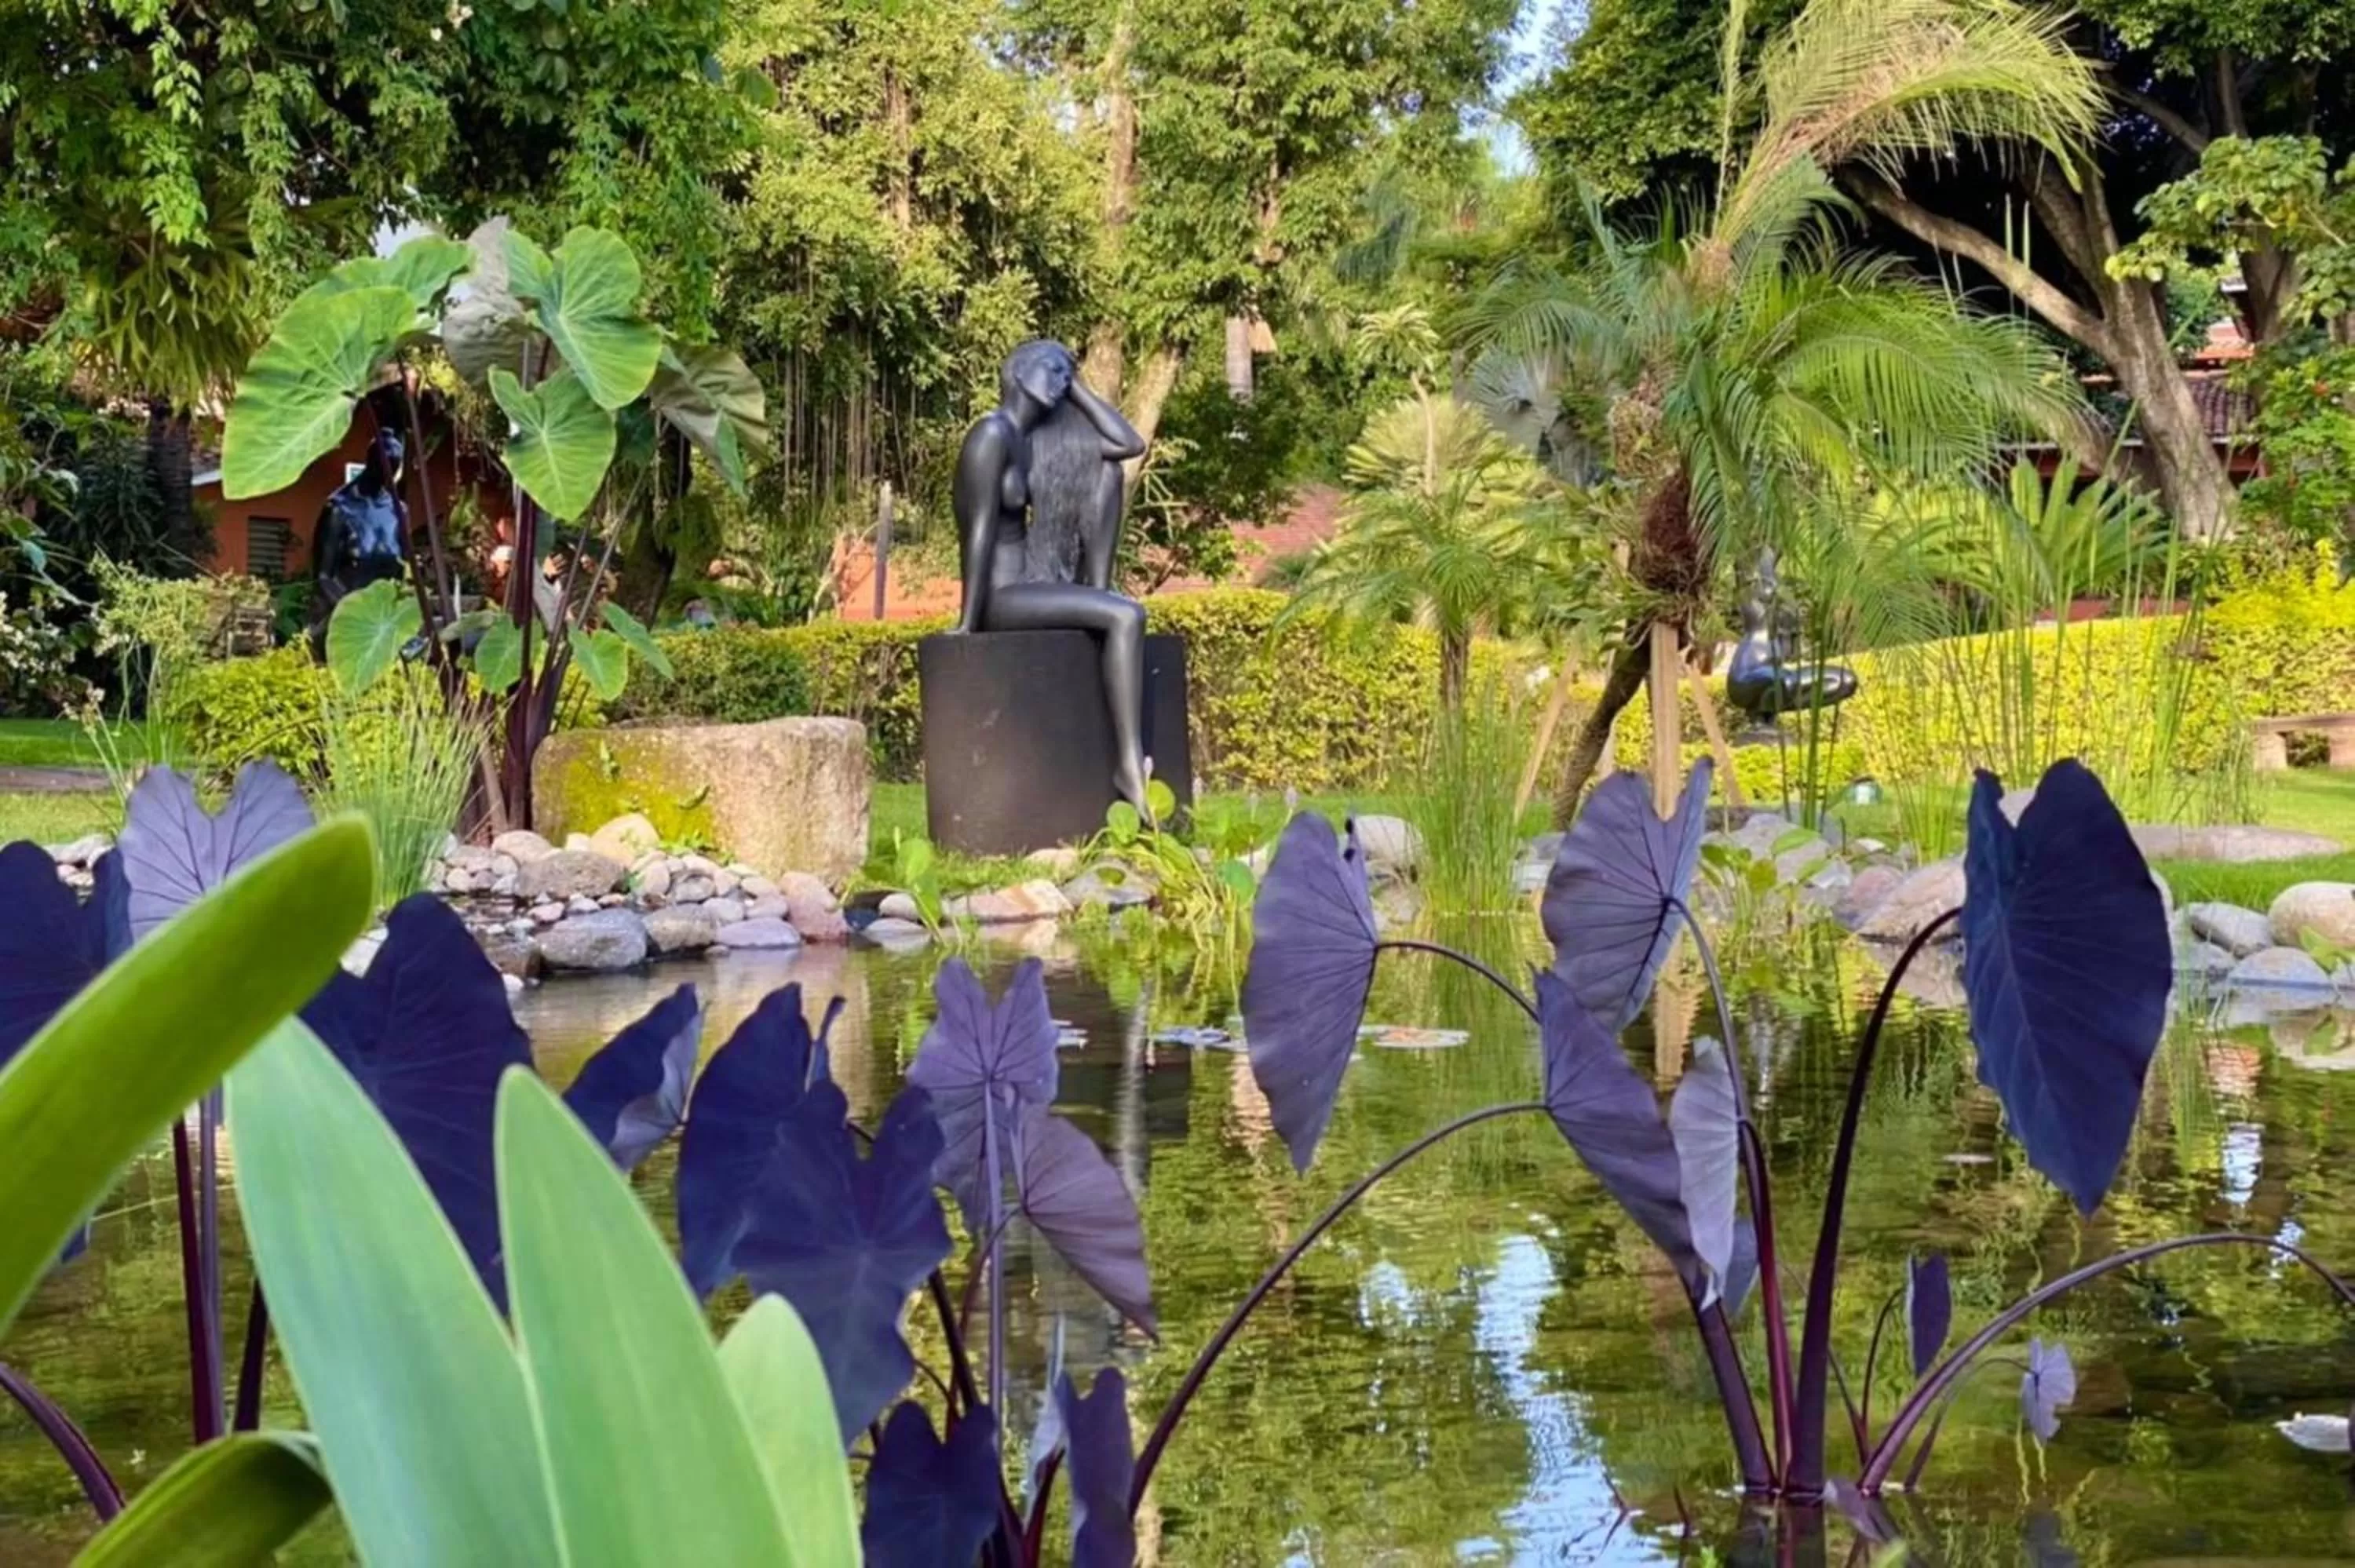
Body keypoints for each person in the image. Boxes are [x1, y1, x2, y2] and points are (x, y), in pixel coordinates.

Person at [951, 340, 1152, 807]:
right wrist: (968, 621)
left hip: (1036, 577)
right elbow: (978, 532)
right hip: (1003, 594)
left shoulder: (1034, 440)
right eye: (1054, 370)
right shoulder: (990, 435)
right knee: (1127, 617)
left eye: (1069, 374)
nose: (1063, 381)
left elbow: (1128, 445)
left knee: (1108, 473)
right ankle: (1128, 765)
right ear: (1020, 373)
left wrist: (1076, 387)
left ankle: (1098, 589)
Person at [309, 428, 408, 656]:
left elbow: (405, 567)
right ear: (370, 463)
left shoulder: (399, 510)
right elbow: (323, 576)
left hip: (386, 624)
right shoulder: (339, 508)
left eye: (393, 469)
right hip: (344, 622)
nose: (387, 475)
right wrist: (354, 613)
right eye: (383, 467)